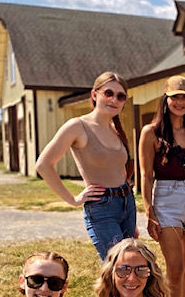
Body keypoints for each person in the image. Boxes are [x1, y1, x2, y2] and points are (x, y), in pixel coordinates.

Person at [36, 71, 136, 260]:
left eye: (120, 96)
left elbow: (120, 171)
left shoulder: (116, 130)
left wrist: (130, 218)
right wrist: (72, 199)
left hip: (127, 203)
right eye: (108, 93)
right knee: (117, 266)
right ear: (94, 94)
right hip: (102, 207)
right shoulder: (77, 126)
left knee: (128, 265)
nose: (114, 99)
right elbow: (43, 164)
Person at [138, 76, 185, 297]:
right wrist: (149, 211)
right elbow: (146, 175)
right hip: (166, 197)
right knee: (175, 266)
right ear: (165, 99)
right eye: (175, 97)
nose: (180, 102)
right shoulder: (151, 132)